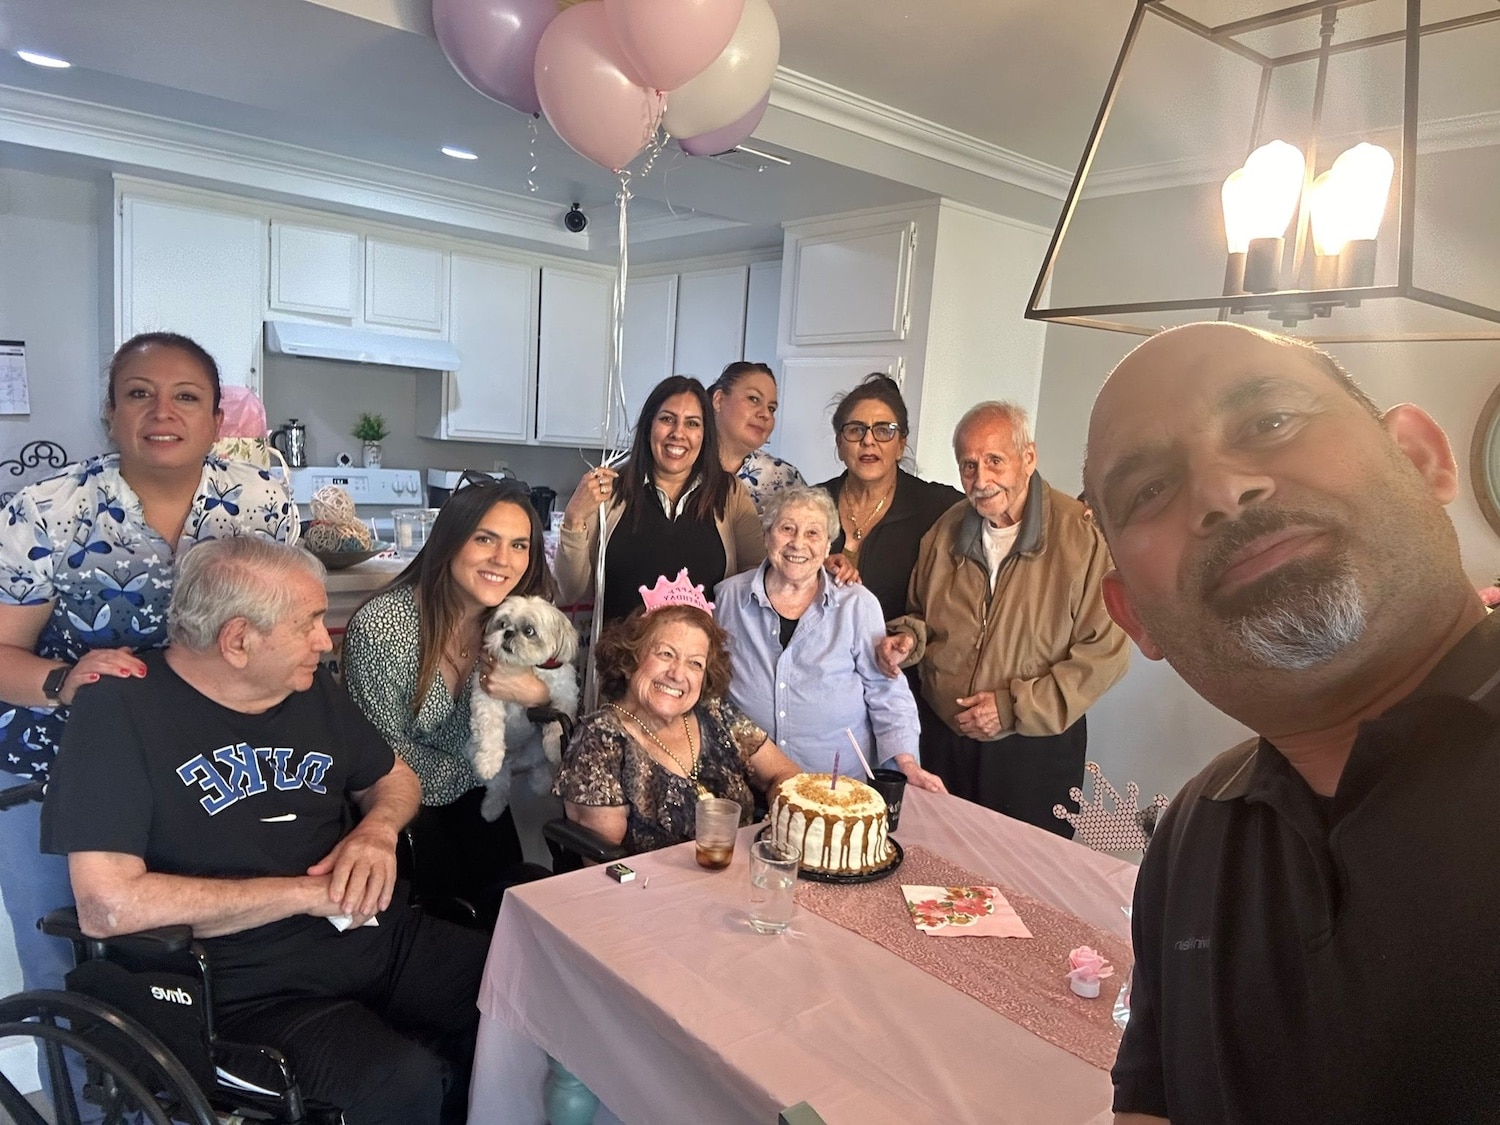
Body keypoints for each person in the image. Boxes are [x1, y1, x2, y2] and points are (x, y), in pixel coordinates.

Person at [1084, 323, 1499, 1124]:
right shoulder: (1192, 839)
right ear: (1137, 618)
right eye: (1149, 490)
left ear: (1420, 458)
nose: (1220, 490)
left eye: (1270, 422)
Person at [39, 538, 488, 1125]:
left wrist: (375, 832)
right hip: (244, 990)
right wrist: (303, 894)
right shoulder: (120, 710)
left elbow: (395, 778)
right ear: (238, 641)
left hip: (376, 935)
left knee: (516, 988)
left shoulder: (312, 690)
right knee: (401, 1084)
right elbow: (107, 905)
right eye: (308, 625)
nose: (326, 641)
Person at [0, 331, 298, 997]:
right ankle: (79, 1094)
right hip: (55, 767)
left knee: (179, 961)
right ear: (110, 411)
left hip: (206, 769)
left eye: (186, 396)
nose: (163, 412)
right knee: (62, 957)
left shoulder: (261, 505)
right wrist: (60, 680)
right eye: (139, 394)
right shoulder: (46, 511)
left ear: (218, 419)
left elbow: (281, 626)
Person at [880, 401, 1128, 834]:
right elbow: (923, 613)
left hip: (1032, 752)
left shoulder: (1082, 536)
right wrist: (909, 639)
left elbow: (1105, 652)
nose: (981, 479)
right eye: (968, 465)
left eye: (995, 461)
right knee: (935, 871)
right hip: (945, 744)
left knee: (1022, 884)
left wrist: (1011, 708)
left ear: (1028, 458)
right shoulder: (946, 530)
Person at [343, 475, 561, 924]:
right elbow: (382, 756)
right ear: (450, 541)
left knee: (513, 919)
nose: (504, 560)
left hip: (479, 800)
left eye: (520, 545)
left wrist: (538, 695)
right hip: (400, 814)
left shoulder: (511, 623)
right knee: (451, 933)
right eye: (486, 539)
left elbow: (556, 715)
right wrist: (485, 765)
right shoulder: (385, 628)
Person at [715, 485, 944, 791]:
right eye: (787, 528)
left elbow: (886, 691)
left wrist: (906, 764)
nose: (798, 543)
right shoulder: (728, 598)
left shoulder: (856, 605)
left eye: (812, 533)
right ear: (767, 535)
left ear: (827, 547)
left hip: (836, 792)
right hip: (745, 785)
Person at [555, 601, 801, 854]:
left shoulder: (716, 713)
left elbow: (787, 776)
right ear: (630, 659)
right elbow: (605, 865)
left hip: (743, 872)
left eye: (695, 663)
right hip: (653, 888)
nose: (677, 674)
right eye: (666, 654)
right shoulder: (602, 738)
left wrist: (779, 829)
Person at [555, 375, 765, 624]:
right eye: (667, 419)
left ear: (705, 434)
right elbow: (573, 590)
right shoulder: (609, 489)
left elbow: (755, 578)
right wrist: (574, 517)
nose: (678, 433)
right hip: (620, 659)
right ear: (649, 426)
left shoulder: (728, 493)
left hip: (699, 659)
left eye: (692, 424)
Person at [815, 373, 963, 621]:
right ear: (840, 444)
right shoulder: (812, 503)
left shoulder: (937, 506)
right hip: (816, 654)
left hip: (897, 654)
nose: (868, 441)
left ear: (901, 445)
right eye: (855, 430)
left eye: (884, 430)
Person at [710, 361, 805, 512]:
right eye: (754, 399)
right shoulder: (681, 460)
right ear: (719, 400)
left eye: (771, 408)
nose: (766, 414)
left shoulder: (785, 479)